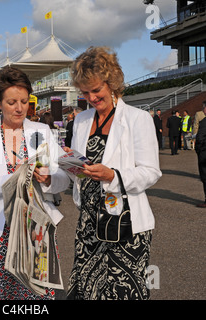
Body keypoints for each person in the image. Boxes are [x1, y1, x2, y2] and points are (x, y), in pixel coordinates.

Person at [64, 46, 161, 300]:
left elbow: (151, 172)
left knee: (123, 292)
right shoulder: (82, 120)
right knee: (87, 290)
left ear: (112, 82)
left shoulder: (138, 119)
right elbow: (79, 174)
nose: (92, 98)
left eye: (97, 90)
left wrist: (113, 176)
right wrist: (68, 166)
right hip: (88, 224)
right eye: (85, 92)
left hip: (124, 225)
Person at [0, 66, 69, 300]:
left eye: (24, 101)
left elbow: (63, 178)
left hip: (36, 225)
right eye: (12, 101)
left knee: (38, 292)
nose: (20, 108)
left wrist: (49, 180)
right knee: (1, 293)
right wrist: (14, 178)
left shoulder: (42, 131)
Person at [195, 104, 206, 208]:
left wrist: (198, 151)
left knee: (205, 177)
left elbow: (200, 138)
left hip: (204, 155)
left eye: (203, 108)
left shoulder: (204, 122)